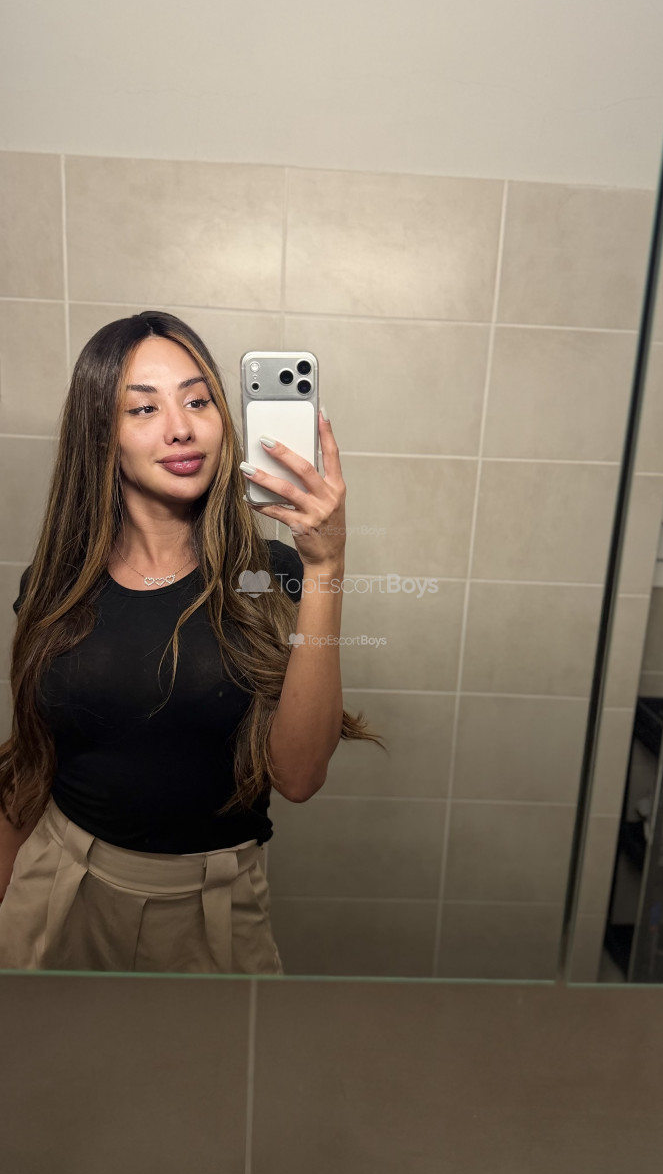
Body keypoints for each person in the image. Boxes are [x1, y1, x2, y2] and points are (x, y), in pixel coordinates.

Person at [0, 311, 385, 975]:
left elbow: (298, 776)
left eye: (198, 401)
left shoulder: (273, 576)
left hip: (212, 908)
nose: (180, 427)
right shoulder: (53, 584)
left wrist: (326, 566)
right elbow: (31, 758)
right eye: (143, 408)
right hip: (57, 884)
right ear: (102, 435)